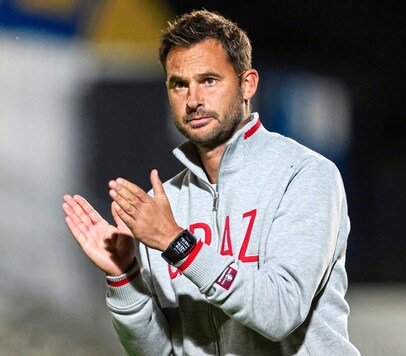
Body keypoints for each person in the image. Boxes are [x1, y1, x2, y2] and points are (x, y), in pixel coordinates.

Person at [62, 9, 359, 356]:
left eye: (209, 80)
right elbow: (156, 352)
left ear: (247, 84)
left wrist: (176, 242)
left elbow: (280, 312)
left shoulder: (303, 174)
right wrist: (125, 276)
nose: (193, 100)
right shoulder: (165, 204)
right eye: (179, 84)